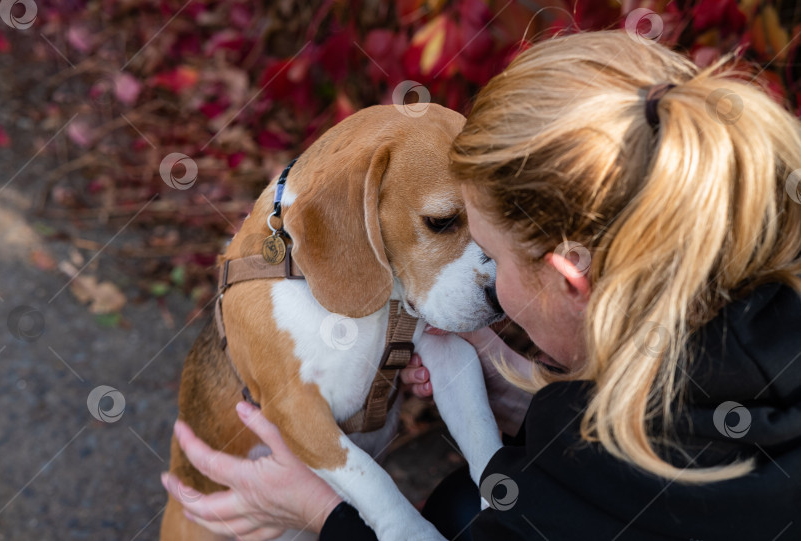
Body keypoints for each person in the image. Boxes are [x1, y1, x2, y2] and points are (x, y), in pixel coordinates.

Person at [161, 30, 801, 540]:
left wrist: (322, 514)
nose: (486, 284)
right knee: (474, 499)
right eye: (447, 227)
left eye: (489, 254)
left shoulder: (595, 488)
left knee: (462, 510)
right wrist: (540, 406)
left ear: (570, 278)